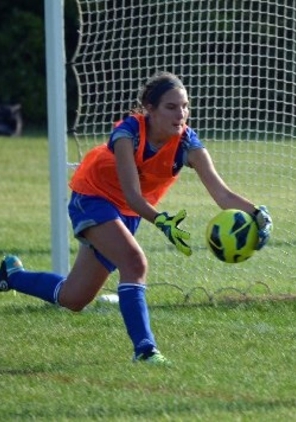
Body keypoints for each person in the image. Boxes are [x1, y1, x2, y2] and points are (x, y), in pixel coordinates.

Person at [0, 71, 272, 365]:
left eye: (185, 106)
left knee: (74, 298)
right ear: (149, 109)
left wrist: (257, 215)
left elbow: (224, 196)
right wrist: (162, 221)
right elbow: (132, 194)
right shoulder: (127, 133)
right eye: (171, 106)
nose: (181, 114)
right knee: (135, 262)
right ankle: (145, 350)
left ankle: (11, 275)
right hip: (92, 198)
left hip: (128, 213)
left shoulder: (188, 144)